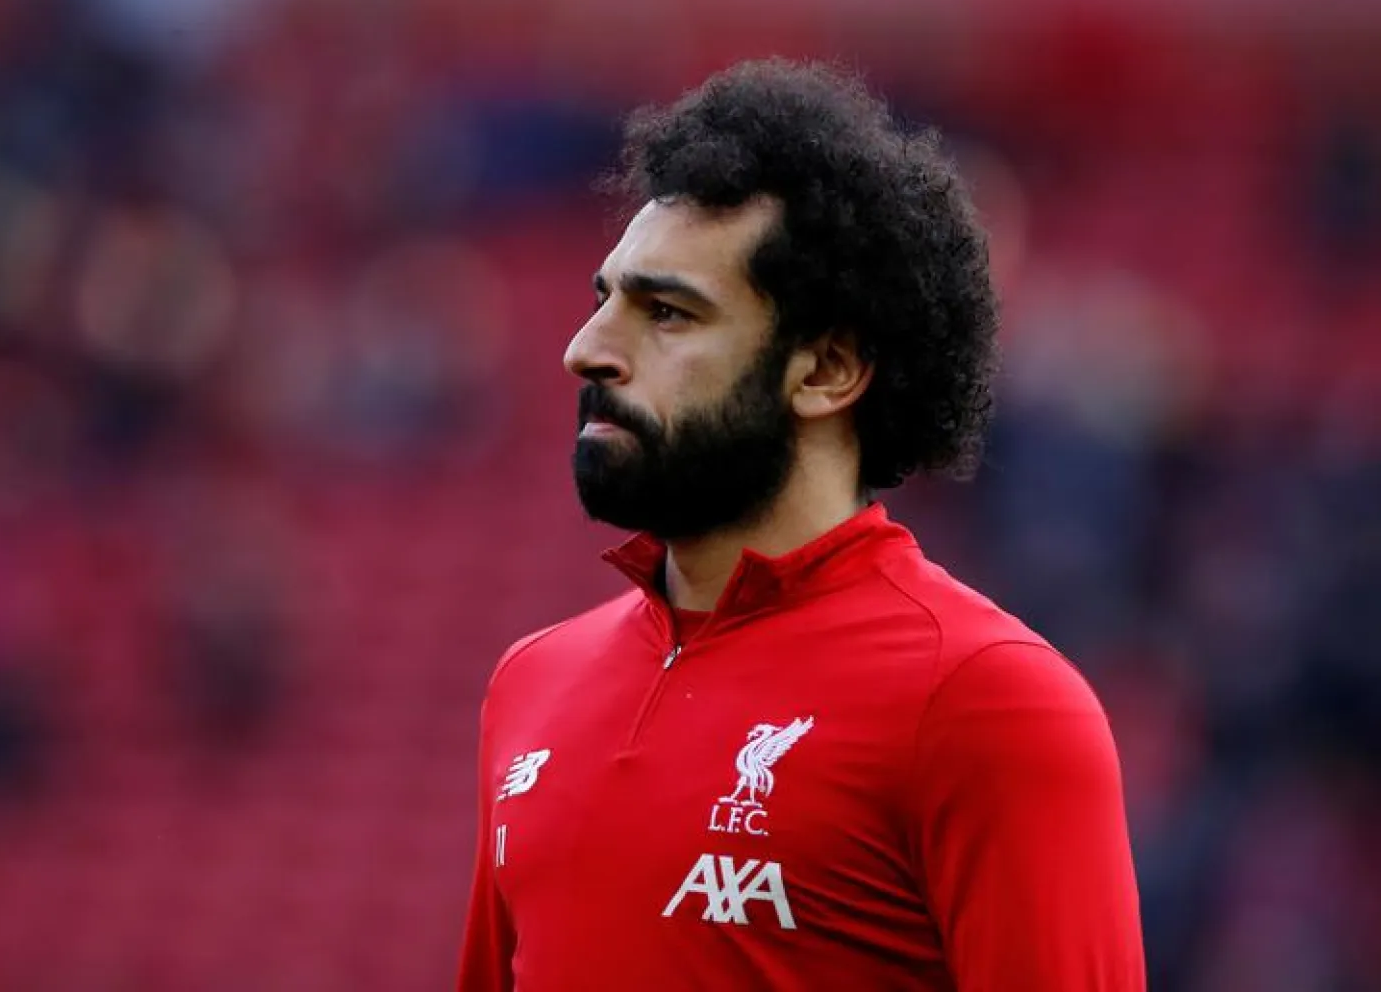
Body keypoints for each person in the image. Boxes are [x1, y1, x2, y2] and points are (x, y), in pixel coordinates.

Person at [458, 59, 1145, 991]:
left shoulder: (990, 704)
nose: (587, 349)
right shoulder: (529, 682)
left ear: (825, 370)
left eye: (665, 312)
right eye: (602, 298)